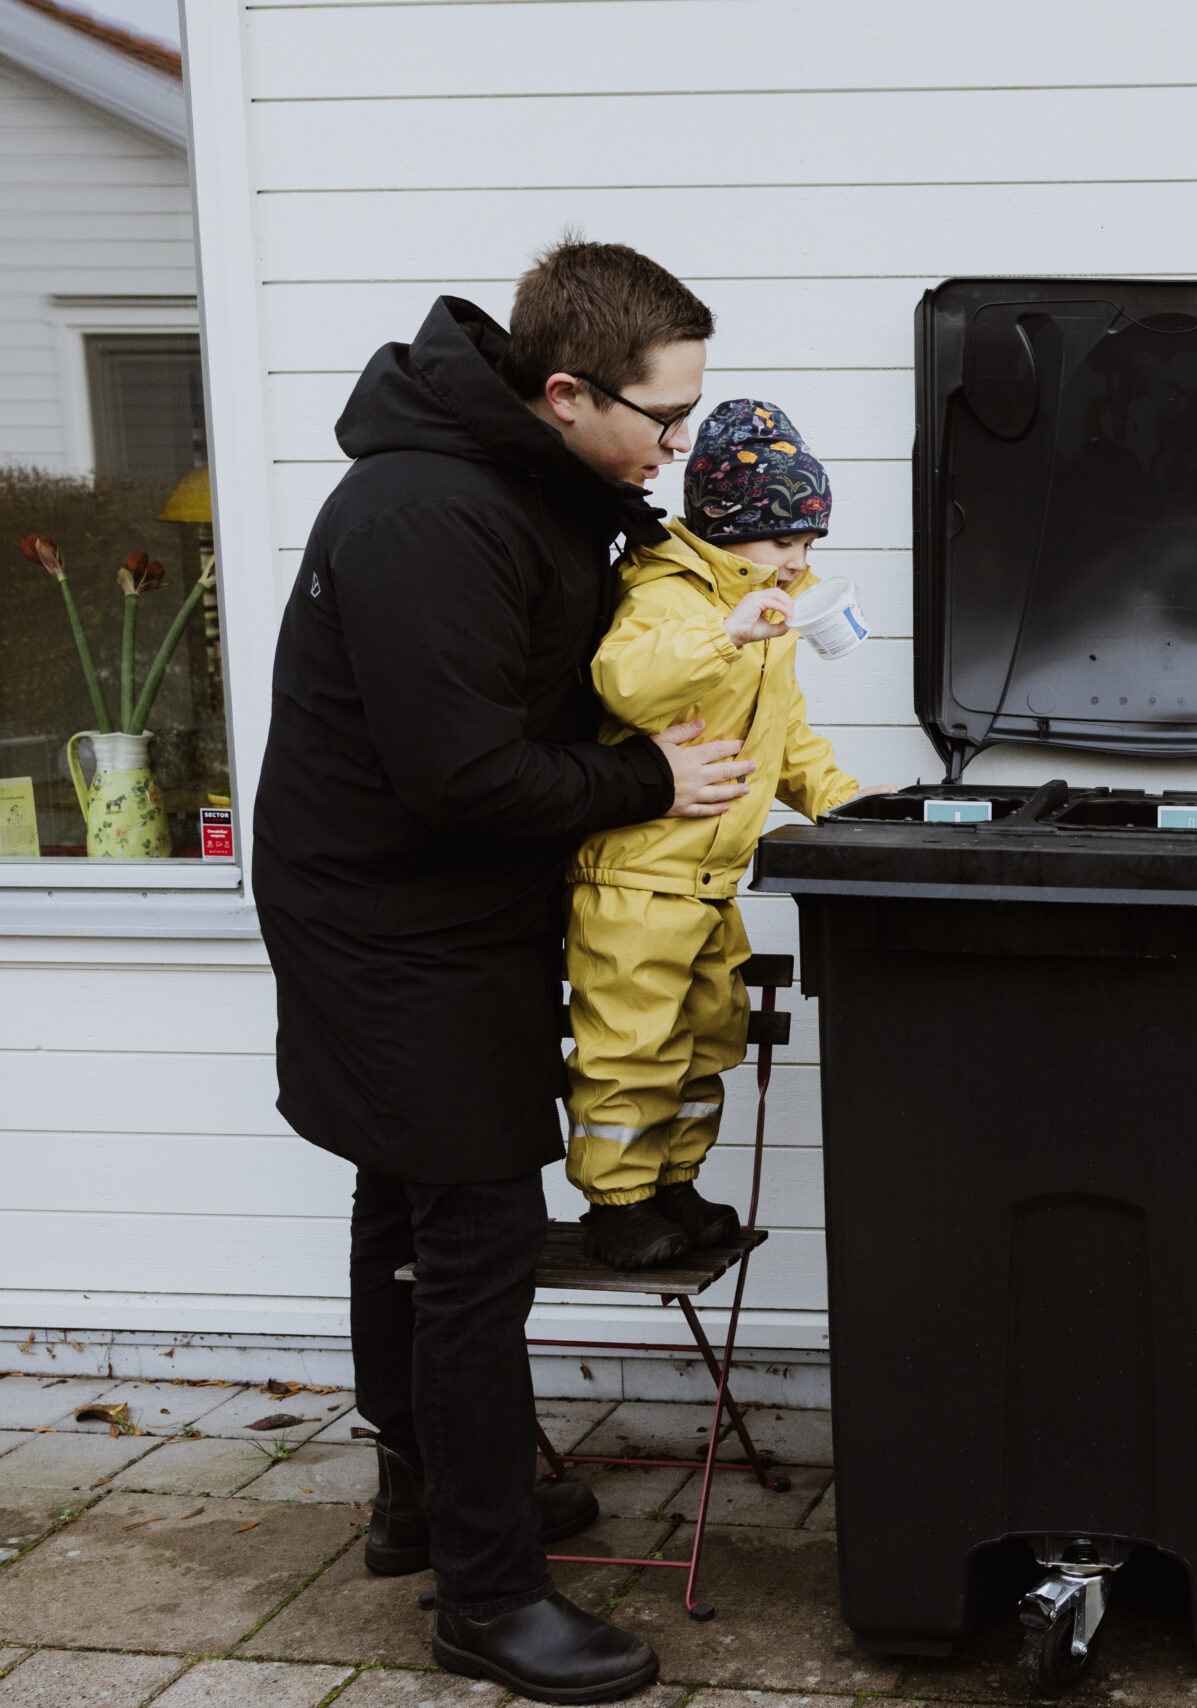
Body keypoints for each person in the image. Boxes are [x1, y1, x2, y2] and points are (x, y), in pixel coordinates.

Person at [254, 240, 756, 1703]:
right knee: (467, 1233)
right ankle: (487, 1597)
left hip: (444, 897)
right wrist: (646, 780)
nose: (679, 448)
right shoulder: (425, 515)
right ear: (560, 390)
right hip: (387, 914)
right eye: (667, 422)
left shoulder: (534, 485)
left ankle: (427, 1499)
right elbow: (461, 774)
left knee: (403, 1194)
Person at [565, 399, 879, 1267]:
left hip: (711, 882)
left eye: (808, 547)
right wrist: (723, 630)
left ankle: (674, 1181)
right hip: (636, 881)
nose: (797, 566)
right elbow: (626, 683)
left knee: (706, 1041)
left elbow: (783, 739)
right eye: (783, 545)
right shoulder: (670, 593)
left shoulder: (764, 613)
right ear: (727, 529)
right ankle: (618, 1200)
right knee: (631, 1045)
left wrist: (847, 803)